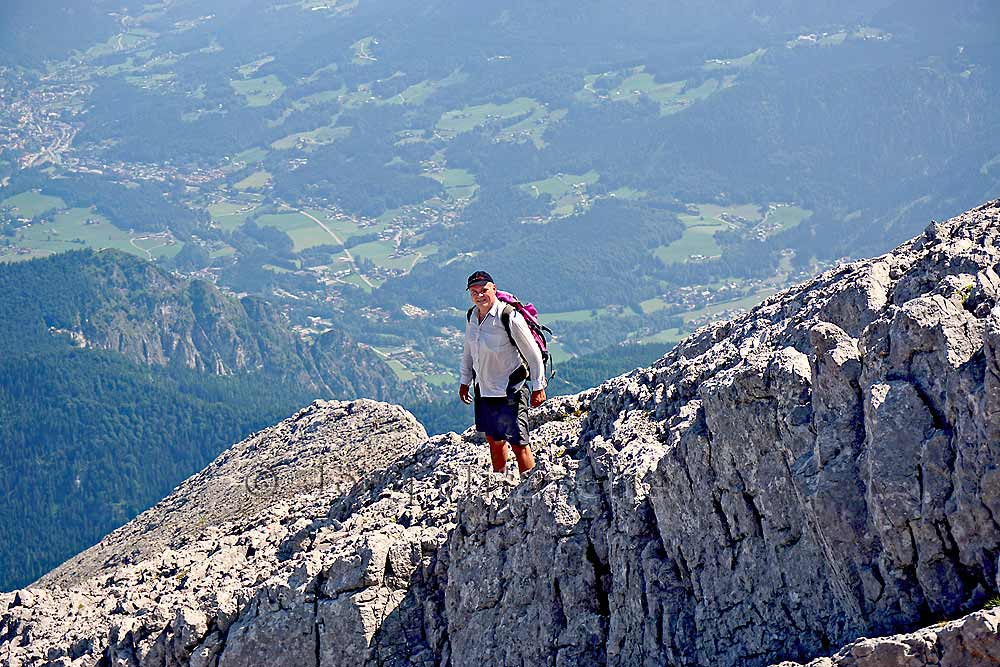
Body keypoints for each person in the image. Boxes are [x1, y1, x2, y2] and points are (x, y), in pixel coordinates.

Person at [459, 270, 546, 478]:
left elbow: (532, 353)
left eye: (484, 290)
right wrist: (465, 381)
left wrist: (538, 386)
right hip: (484, 389)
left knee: (518, 443)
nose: (479, 295)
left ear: (494, 289)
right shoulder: (472, 315)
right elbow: (469, 350)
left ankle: (530, 490)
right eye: (474, 292)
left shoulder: (508, 316)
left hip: (510, 391)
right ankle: (501, 482)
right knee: (494, 440)